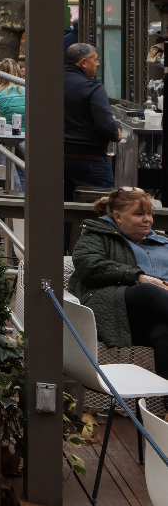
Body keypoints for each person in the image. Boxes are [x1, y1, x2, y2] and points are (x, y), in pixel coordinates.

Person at [69, 187, 168, 378]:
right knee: (148, 291)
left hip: (156, 317)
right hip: (117, 309)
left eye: (149, 214)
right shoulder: (97, 235)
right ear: (118, 216)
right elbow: (89, 266)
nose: (147, 220)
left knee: (165, 334)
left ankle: (161, 403)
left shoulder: (162, 242)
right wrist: (138, 277)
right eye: (139, 214)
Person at [64, 43, 123, 195]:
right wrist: (116, 134)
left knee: (62, 209)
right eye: (95, 59)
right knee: (103, 208)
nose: (97, 63)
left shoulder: (51, 84)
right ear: (83, 62)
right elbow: (105, 125)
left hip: (57, 156)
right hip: (91, 159)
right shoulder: (93, 87)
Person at [0, 58, 27, 192]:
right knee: (23, 170)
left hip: (8, 139)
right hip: (27, 139)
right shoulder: (28, 91)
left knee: (14, 171)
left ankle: (15, 198)